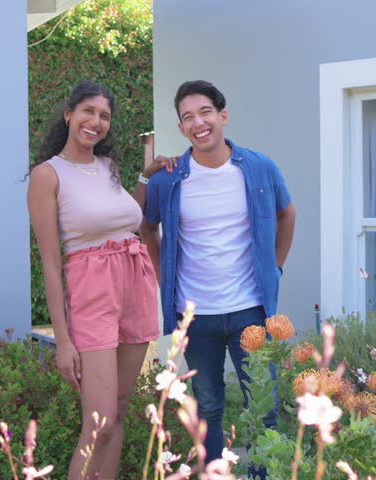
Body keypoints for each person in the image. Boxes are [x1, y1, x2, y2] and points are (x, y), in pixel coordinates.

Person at [141, 80, 296, 477]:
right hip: (196, 315)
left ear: (222, 116)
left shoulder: (259, 167)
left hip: (250, 311)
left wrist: (274, 269)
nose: (198, 122)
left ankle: (264, 474)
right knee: (207, 405)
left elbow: (286, 214)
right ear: (181, 129)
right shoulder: (168, 179)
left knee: (263, 404)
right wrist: (164, 279)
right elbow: (146, 227)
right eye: (187, 117)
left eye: (205, 112)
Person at [27, 80, 172, 480]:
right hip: (91, 291)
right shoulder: (47, 175)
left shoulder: (108, 168)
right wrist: (63, 341)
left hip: (134, 284)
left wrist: (145, 178)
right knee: (99, 421)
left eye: (104, 116)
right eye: (88, 111)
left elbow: (125, 220)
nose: (96, 122)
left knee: (121, 409)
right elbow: (51, 264)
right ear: (69, 114)